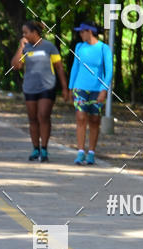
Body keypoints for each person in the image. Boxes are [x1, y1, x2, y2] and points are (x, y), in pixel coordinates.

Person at [11, 20, 70, 162]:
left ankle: (44, 149)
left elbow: (59, 68)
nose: (23, 35)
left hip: (47, 87)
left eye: (26, 32)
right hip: (30, 87)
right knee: (32, 119)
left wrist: (64, 88)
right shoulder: (26, 48)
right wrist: (20, 47)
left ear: (34, 32)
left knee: (43, 115)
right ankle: (35, 148)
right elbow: (16, 66)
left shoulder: (49, 47)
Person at [68, 21, 113, 165]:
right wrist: (70, 88)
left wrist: (104, 90)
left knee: (94, 120)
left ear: (90, 32)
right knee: (80, 117)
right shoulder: (79, 47)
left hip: (97, 89)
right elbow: (75, 67)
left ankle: (91, 152)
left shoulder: (103, 48)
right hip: (80, 87)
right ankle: (80, 151)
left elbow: (109, 71)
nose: (80, 34)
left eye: (82, 32)